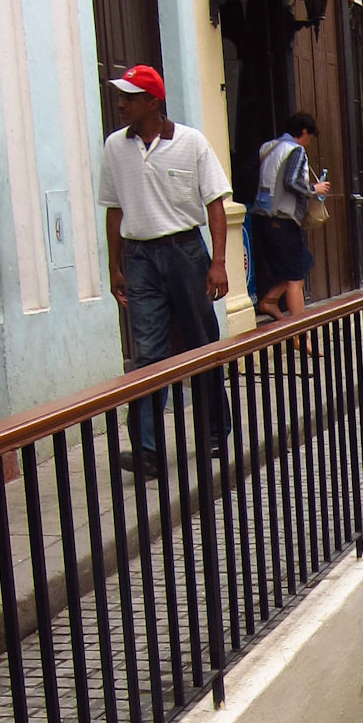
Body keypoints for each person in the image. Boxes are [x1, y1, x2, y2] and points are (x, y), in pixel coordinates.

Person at [98, 64, 231, 475]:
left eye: (130, 98)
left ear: (153, 102)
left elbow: (215, 204)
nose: (121, 104)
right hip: (140, 257)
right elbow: (114, 209)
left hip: (184, 252)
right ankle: (148, 450)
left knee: (200, 344)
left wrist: (218, 262)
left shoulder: (191, 142)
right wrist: (114, 265)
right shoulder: (115, 147)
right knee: (148, 355)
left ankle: (214, 432)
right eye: (121, 97)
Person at [252, 112, 330, 320]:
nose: (309, 143)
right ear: (304, 132)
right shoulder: (295, 150)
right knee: (296, 278)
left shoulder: (268, 148)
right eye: (310, 137)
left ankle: (269, 301)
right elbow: (291, 181)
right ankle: (299, 330)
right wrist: (314, 189)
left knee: (301, 262)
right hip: (282, 218)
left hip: (263, 216)